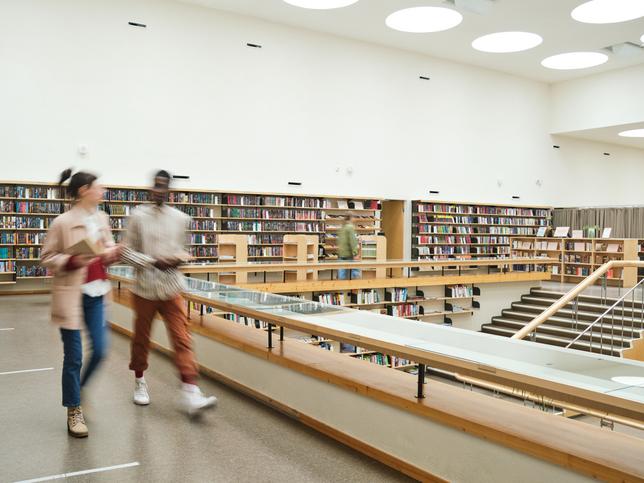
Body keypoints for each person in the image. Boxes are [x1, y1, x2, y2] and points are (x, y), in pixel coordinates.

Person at [121, 170, 216, 415]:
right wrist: (152, 261)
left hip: (173, 287)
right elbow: (125, 252)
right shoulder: (138, 217)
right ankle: (139, 381)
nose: (159, 191)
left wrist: (178, 259)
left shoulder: (180, 218)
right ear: (151, 188)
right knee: (141, 338)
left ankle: (190, 390)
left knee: (182, 338)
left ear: (170, 190)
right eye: (156, 186)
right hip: (145, 289)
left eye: (164, 187)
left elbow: (186, 250)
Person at [41, 169, 122, 438]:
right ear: (84, 190)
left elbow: (105, 249)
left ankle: (81, 390)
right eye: (98, 187)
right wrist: (72, 260)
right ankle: (73, 409)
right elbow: (47, 256)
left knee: (100, 350)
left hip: (97, 294)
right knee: (74, 357)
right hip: (71, 296)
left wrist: (114, 254)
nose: (103, 191)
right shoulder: (62, 223)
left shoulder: (102, 218)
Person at [337, 214, 360, 280]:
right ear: (351, 218)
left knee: (341, 274)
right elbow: (352, 241)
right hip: (348, 254)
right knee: (356, 271)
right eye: (354, 217)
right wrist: (355, 253)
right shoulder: (350, 227)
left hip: (341, 254)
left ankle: (341, 289)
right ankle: (354, 287)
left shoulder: (342, 227)